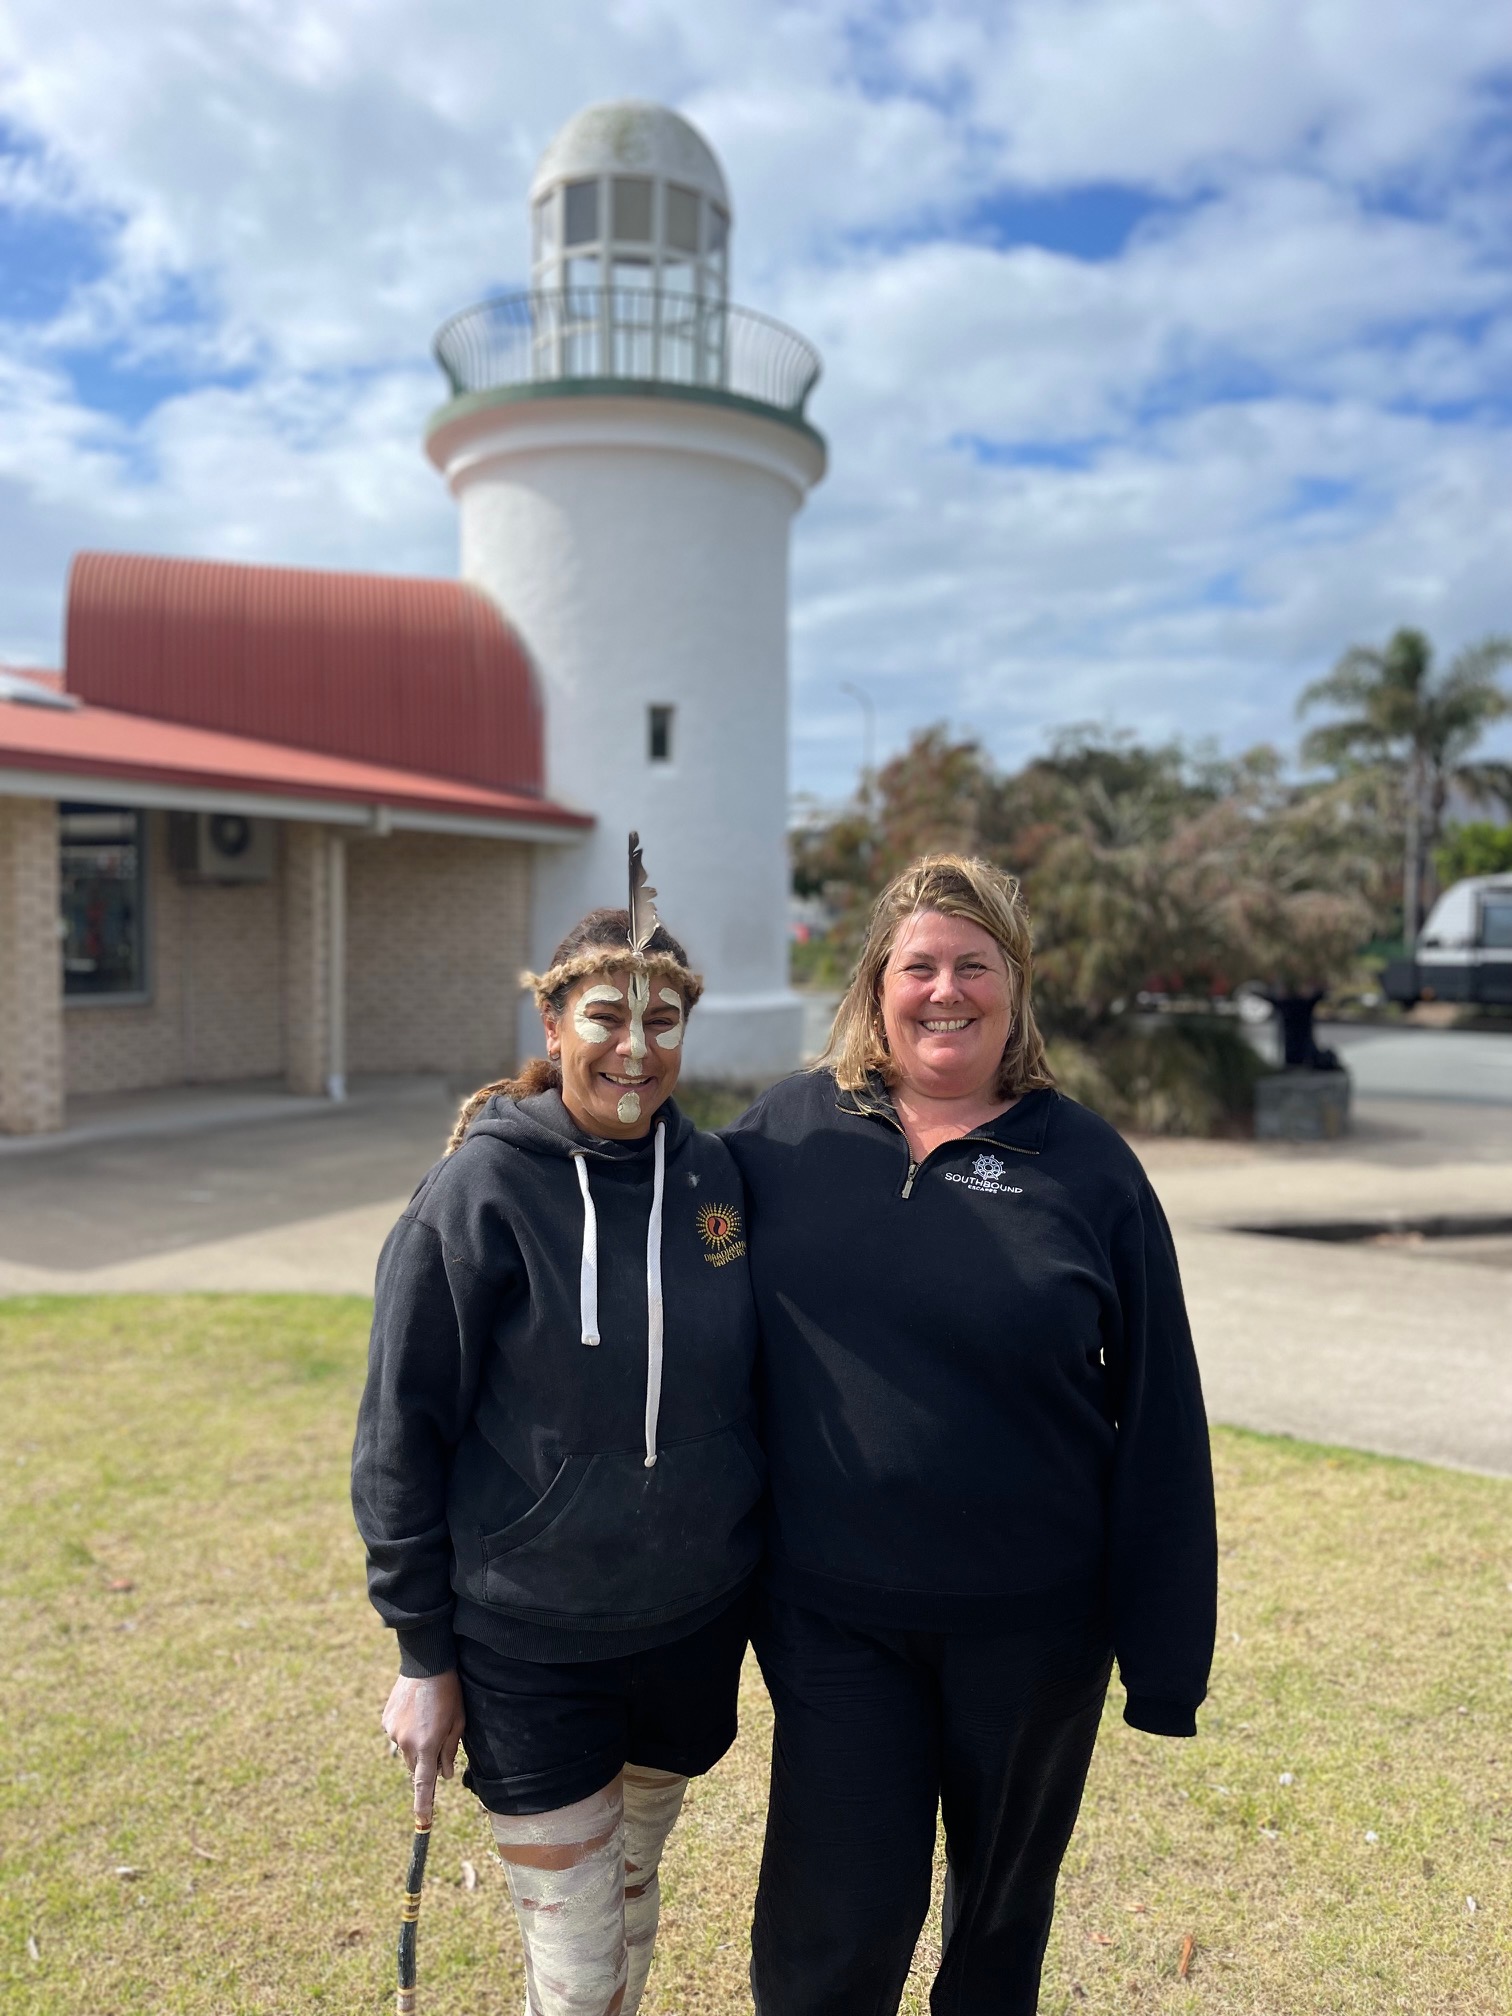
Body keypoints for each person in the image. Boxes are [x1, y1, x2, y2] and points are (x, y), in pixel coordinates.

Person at [723, 852, 1218, 2016]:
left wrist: (1165, 1656)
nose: (945, 991)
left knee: (996, 1938)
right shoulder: (785, 1135)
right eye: (919, 966)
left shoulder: (1088, 1167)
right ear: (876, 986)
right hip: (833, 1618)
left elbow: (1159, 1415)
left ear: (1016, 987)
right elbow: (659, 1251)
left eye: (973, 966)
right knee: (827, 1937)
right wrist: (532, 1134)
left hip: (1035, 1636)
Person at [352, 853, 763, 2016]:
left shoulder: (716, 1179)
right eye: (606, 1016)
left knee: (631, 1910)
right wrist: (421, 1652)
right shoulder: (478, 1194)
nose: (636, 1049)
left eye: (664, 1020)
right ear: (552, 1017)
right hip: (532, 1645)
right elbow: (399, 1432)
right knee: (577, 1976)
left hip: (689, 1633)